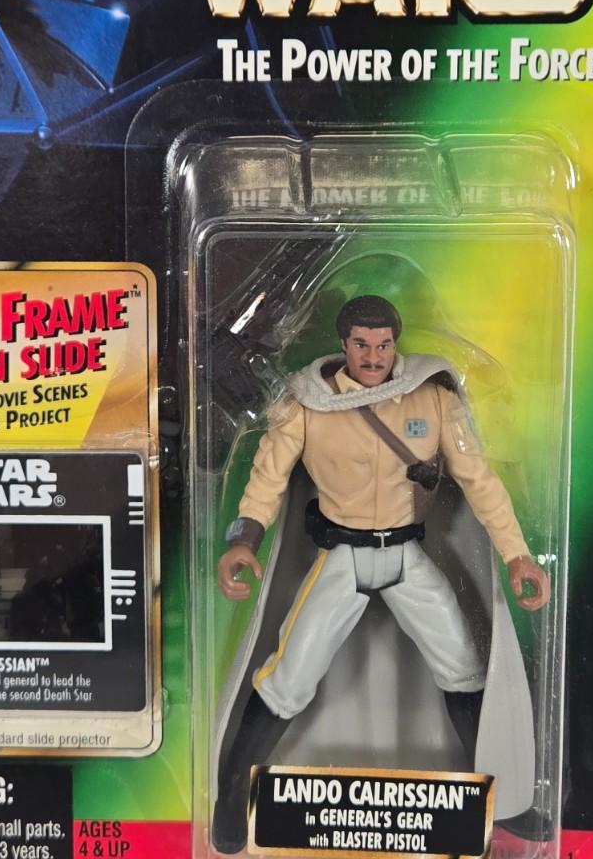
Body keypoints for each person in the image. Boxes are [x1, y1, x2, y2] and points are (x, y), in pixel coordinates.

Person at [211, 295, 550, 854]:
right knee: (289, 679)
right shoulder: (305, 403)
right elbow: (267, 479)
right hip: (342, 558)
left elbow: (480, 479)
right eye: (362, 345)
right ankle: (230, 794)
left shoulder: (432, 398)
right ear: (344, 345)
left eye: (384, 344)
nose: (373, 356)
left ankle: (503, 794)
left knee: (464, 667)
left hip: (405, 556)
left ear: (396, 343)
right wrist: (243, 542)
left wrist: (516, 555)